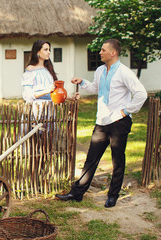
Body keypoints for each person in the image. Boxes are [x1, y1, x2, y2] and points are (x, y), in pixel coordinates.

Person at [55, 39, 147, 208]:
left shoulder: (125, 72)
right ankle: (77, 193)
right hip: (102, 121)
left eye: (103, 50)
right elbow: (96, 89)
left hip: (119, 122)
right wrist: (82, 82)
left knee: (117, 160)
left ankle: (113, 195)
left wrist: (126, 111)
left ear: (113, 53)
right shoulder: (99, 70)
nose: (100, 52)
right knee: (91, 158)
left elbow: (141, 94)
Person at [21, 40, 57, 120]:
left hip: (49, 108)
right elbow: (28, 95)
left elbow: (54, 91)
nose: (49, 52)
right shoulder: (31, 69)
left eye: (49, 49)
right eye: (45, 49)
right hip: (36, 108)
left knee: (49, 132)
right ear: (38, 51)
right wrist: (47, 91)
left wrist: (69, 97)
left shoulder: (48, 69)